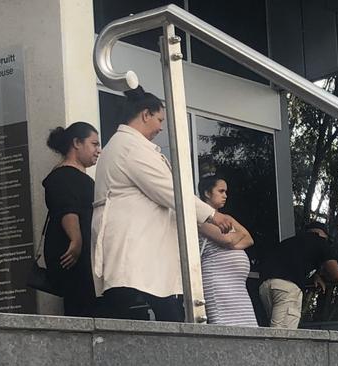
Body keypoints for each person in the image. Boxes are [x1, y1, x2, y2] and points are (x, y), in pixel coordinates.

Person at [91, 86, 234, 322]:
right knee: (153, 309)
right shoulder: (131, 147)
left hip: (140, 251)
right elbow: (170, 191)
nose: (160, 127)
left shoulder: (124, 145)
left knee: (140, 306)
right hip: (135, 249)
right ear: (145, 114)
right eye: (159, 119)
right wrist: (212, 215)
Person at [42, 121, 101, 317]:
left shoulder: (77, 176)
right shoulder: (63, 175)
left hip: (84, 255)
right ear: (77, 143)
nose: (98, 150)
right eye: (94, 144)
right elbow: (67, 211)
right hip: (74, 255)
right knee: (81, 306)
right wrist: (76, 240)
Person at [197, 175, 257, 327]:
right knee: (227, 326)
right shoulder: (200, 217)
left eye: (226, 192)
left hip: (237, 286)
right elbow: (226, 239)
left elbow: (249, 239)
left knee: (248, 327)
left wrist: (232, 243)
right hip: (217, 280)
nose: (225, 195)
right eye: (221, 191)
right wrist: (233, 239)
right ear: (207, 193)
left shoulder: (226, 217)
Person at [258, 222, 338, 328]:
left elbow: (292, 264)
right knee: (283, 334)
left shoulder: (289, 242)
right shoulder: (320, 242)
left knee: (275, 327)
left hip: (265, 287)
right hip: (287, 288)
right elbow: (337, 275)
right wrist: (324, 277)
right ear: (323, 234)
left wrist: (315, 276)